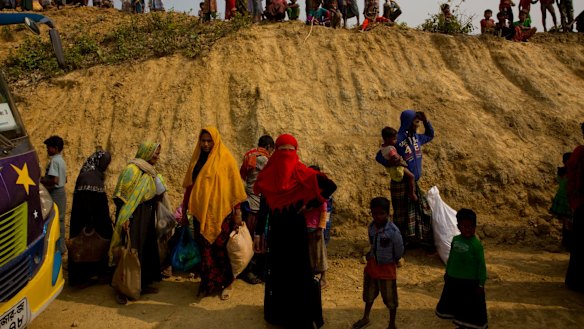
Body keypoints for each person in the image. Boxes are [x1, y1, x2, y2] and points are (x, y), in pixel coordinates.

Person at [254, 134, 337, 328]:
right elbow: (264, 205)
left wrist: (311, 204)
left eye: (289, 151)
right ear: (275, 151)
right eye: (282, 150)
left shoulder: (301, 171)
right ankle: (280, 315)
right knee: (281, 271)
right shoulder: (270, 174)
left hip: (292, 232)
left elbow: (330, 186)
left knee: (294, 271)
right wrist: (258, 232)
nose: (286, 155)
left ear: (295, 151)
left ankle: (292, 315)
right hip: (280, 233)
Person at [181, 127, 247, 300]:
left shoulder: (226, 159)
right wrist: (184, 209)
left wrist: (238, 211)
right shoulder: (196, 160)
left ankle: (228, 283)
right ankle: (207, 284)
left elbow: (234, 186)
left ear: (215, 141)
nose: (205, 144)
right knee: (204, 249)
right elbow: (190, 187)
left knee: (220, 249)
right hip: (200, 213)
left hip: (221, 213)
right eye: (203, 140)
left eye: (209, 141)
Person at [109, 142, 166, 304]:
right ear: (147, 152)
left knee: (145, 248)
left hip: (146, 215)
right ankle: (123, 288)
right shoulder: (131, 169)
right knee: (130, 250)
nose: (157, 156)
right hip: (133, 216)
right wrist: (125, 218)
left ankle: (141, 284)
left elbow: (158, 192)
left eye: (158, 154)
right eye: (155, 153)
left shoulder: (150, 171)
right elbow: (120, 195)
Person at [376, 110, 434, 249]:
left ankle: (413, 240)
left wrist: (426, 121)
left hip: (413, 182)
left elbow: (430, 135)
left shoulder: (417, 138)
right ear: (408, 122)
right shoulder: (398, 138)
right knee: (401, 214)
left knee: (420, 211)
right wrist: (390, 163)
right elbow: (379, 156)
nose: (418, 125)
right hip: (400, 182)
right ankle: (400, 243)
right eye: (416, 122)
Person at [352, 197, 404, 329]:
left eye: (381, 213)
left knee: (390, 299)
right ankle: (366, 317)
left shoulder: (393, 232)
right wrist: (371, 255)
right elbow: (372, 243)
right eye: (375, 213)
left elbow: (399, 251)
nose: (378, 216)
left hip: (387, 271)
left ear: (388, 214)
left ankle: (392, 324)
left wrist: (391, 259)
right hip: (372, 268)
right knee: (368, 295)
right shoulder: (371, 227)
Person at [436, 208, 488, 329]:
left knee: (470, 306)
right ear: (459, 226)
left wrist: (481, 284)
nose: (468, 229)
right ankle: (461, 324)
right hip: (455, 280)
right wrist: (447, 272)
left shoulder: (476, 245)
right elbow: (452, 258)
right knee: (458, 305)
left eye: (471, 226)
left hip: (470, 283)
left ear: (475, 226)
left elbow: (481, 265)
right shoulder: (455, 240)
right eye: (465, 226)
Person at [68, 149, 113, 287]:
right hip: (89, 222)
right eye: (105, 163)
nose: (106, 166)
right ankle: (84, 277)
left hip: (90, 220)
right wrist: (90, 222)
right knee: (88, 245)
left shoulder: (92, 175)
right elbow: (88, 204)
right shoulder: (89, 177)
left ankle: (92, 274)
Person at [239, 135, 274, 284]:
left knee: (246, 238)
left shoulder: (249, 156)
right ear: (268, 147)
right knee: (254, 240)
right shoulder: (264, 159)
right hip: (256, 204)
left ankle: (245, 269)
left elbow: (243, 176)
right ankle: (249, 271)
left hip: (247, 200)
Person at [565, 122, 584, 293]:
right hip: (581, 204)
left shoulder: (579, 153)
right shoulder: (580, 154)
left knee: (578, 244)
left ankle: (574, 280)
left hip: (579, 204)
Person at [41, 136, 68, 254]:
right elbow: (64, 179)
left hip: (55, 193)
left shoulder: (54, 161)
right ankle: (62, 247)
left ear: (55, 148)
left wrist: (41, 180)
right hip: (61, 192)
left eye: (49, 147)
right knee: (61, 219)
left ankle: (57, 248)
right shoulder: (61, 161)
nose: (47, 149)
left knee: (53, 219)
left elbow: (54, 180)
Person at [305, 165, 329, 289]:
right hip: (307, 228)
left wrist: (320, 228)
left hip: (316, 229)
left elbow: (324, 212)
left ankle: (323, 278)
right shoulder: (306, 191)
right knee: (309, 254)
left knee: (320, 253)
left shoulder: (321, 194)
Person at [380, 126, 417, 202]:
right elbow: (397, 158)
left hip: (392, 168)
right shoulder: (390, 148)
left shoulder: (383, 147)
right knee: (411, 176)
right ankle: (412, 193)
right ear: (387, 139)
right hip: (398, 167)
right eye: (394, 139)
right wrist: (405, 164)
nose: (396, 141)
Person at [551, 152, 573, 249]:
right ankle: (567, 243)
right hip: (567, 200)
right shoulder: (570, 172)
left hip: (563, 200)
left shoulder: (562, 171)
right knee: (568, 223)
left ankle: (566, 243)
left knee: (567, 223)